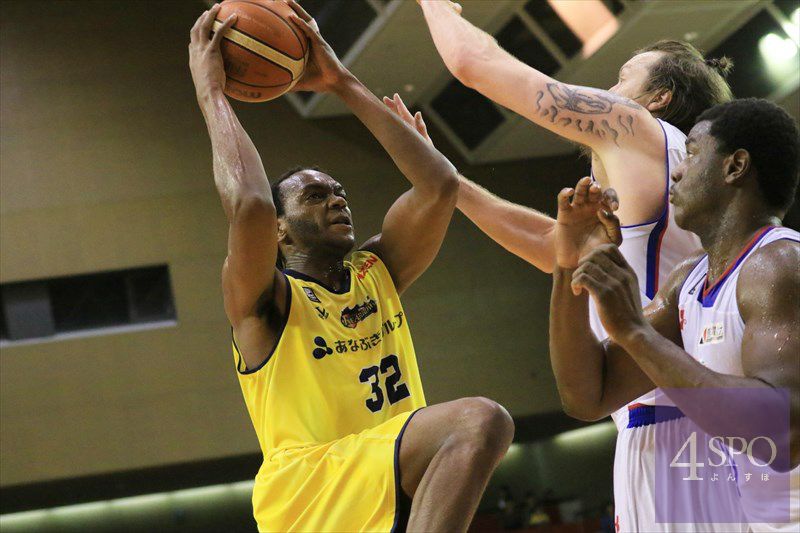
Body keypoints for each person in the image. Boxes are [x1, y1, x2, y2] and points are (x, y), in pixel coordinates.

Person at [188, 2, 514, 532]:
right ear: (280, 230)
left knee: (474, 427)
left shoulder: (376, 270)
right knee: (479, 420)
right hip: (312, 489)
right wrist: (212, 94)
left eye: (338, 191)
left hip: (381, 482)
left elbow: (440, 186)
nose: (337, 199)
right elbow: (250, 205)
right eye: (315, 196)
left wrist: (340, 81)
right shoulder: (264, 300)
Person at [410, 2, 734, 529]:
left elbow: (474, 63)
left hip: (675, 420)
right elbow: (552, 247)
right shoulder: (675, 176)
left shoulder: (636, 127)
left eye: (622, 78)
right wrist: (447, 179)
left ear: (659, 99)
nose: (607, 90)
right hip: (677, 414)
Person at [550, 98, 799, 531]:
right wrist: (569, 260)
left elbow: (782, 435)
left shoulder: (779, 265)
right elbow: (587, 395)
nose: (677, 171)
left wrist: (635, 331)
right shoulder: (690, 280)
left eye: (692, 154)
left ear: (735, 166)